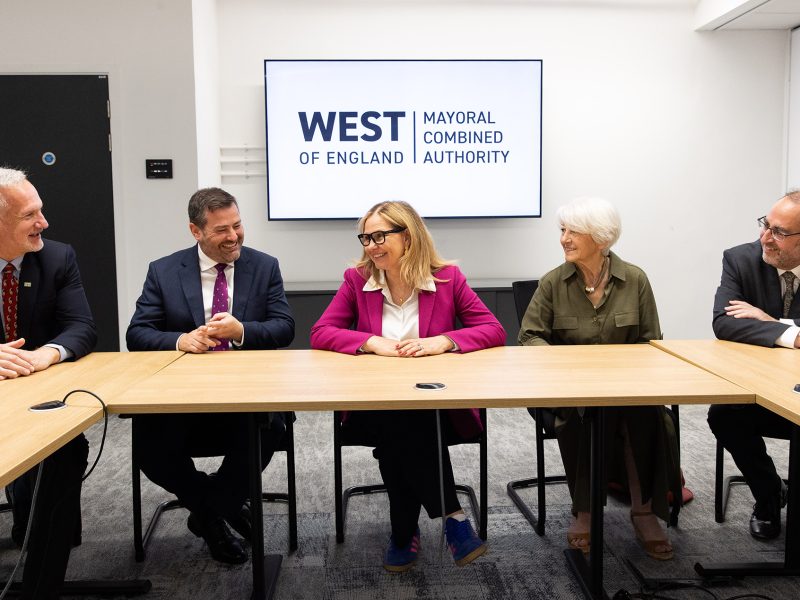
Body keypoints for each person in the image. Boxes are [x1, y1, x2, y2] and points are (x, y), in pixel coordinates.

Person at [310, 200, 505, 572]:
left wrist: (443, 341)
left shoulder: (447, 279)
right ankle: (453, 517)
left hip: (439, 409)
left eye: (380, 236)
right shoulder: (357, 280)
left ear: (409, 236)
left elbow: (493, 329)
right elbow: (320, 332)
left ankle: (403, 533)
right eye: (366, 238)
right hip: (372, 408)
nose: (371, 245)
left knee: (402, 431)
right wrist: (370, 342)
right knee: (400, 421)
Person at [126, 187, 295, 564]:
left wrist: (241, 331)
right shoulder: (164, 270)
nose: (234, 236)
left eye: (237, 225)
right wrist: (180, 339)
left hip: (247, 395)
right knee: (151, 447)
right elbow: (137, 333)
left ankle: (209, 514)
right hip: (181, 397)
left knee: (270, 428)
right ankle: (221, 507)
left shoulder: (264, 266)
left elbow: (285, 327)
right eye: (221, 230)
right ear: (196, 231)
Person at [518, 197, 680, 561]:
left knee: (647, 415)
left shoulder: (635, 279)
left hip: (627, 387)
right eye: (562, 230)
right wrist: (564, 367)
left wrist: (626, 378)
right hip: (569, 389)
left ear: (602, 237)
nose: (564, 238)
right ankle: (585, 511)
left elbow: (650, 341)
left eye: (574, 231)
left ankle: (644, 512)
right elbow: (529, 336)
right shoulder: (553, 282)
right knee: (584, 416)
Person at [0, 167, 97, 599]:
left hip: (36, 396)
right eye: (29, 216)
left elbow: (82, 327)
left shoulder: (57, 258)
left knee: (66, 450)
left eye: (40, 211)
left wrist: (47, 354)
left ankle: (40, 586)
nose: (44, 222)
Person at [707, 191, 800, 540]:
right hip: (761, 391)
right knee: (723, 415)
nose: (765, 238)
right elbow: (724, 323)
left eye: (779, 232)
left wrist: (769, 321)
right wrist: (793, 333)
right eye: (766, 224)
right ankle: (768, 494)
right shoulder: (740, 260)